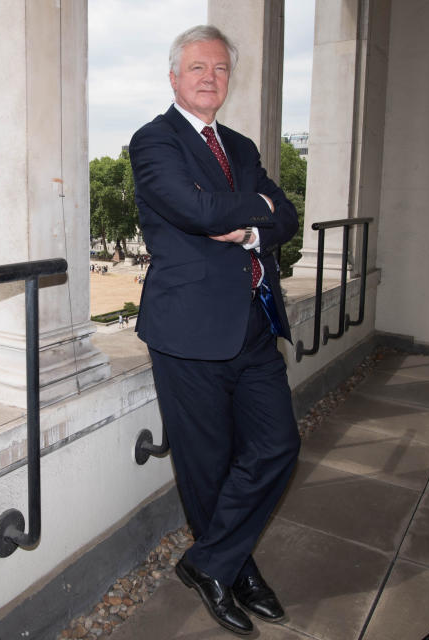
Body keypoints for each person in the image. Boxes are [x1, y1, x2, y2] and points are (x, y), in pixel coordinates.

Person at [128, 25, 300, 636]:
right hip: (188, 331)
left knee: (278, 446)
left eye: (221, 69)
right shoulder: (154, 141)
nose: (209, 77)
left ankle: (209, 564)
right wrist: (259, 209)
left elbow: (289, 215)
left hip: (253, 325)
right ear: (174, 77)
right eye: (198, 67)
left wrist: (254, 228)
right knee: (208, 465)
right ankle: (236, 570)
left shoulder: (242, 146)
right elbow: (195, 211)